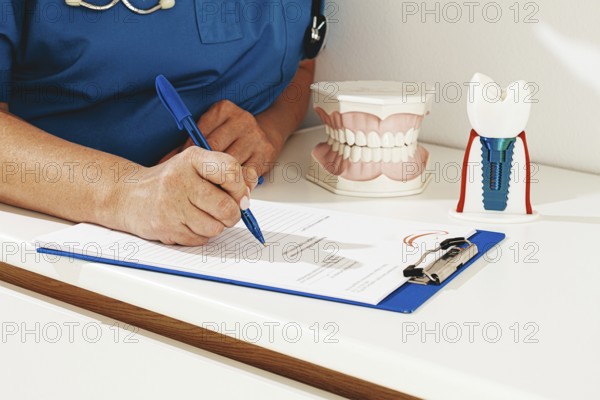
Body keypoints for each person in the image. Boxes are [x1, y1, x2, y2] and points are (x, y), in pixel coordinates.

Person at [0, 0, 318, 246]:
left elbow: (301, 62)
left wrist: (269, 129)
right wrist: (126, 192)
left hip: (247, 215)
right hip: (58, 237)